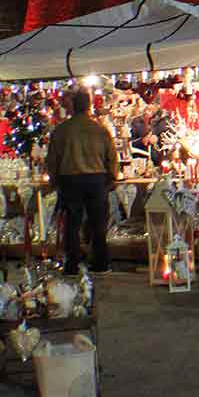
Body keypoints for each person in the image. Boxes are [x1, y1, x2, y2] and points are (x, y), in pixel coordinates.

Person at [44, 87, 119, 275]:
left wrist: (54, 180)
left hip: (70, 180)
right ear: (89, 105)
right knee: (98, 224)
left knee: (72, 224)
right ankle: (101, 263)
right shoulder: (100, 130)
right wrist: (112, 177)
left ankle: (72, 264)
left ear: (72, 105)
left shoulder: (62, 131)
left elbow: (52, 160)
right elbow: (112, 157)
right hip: (96, 180)